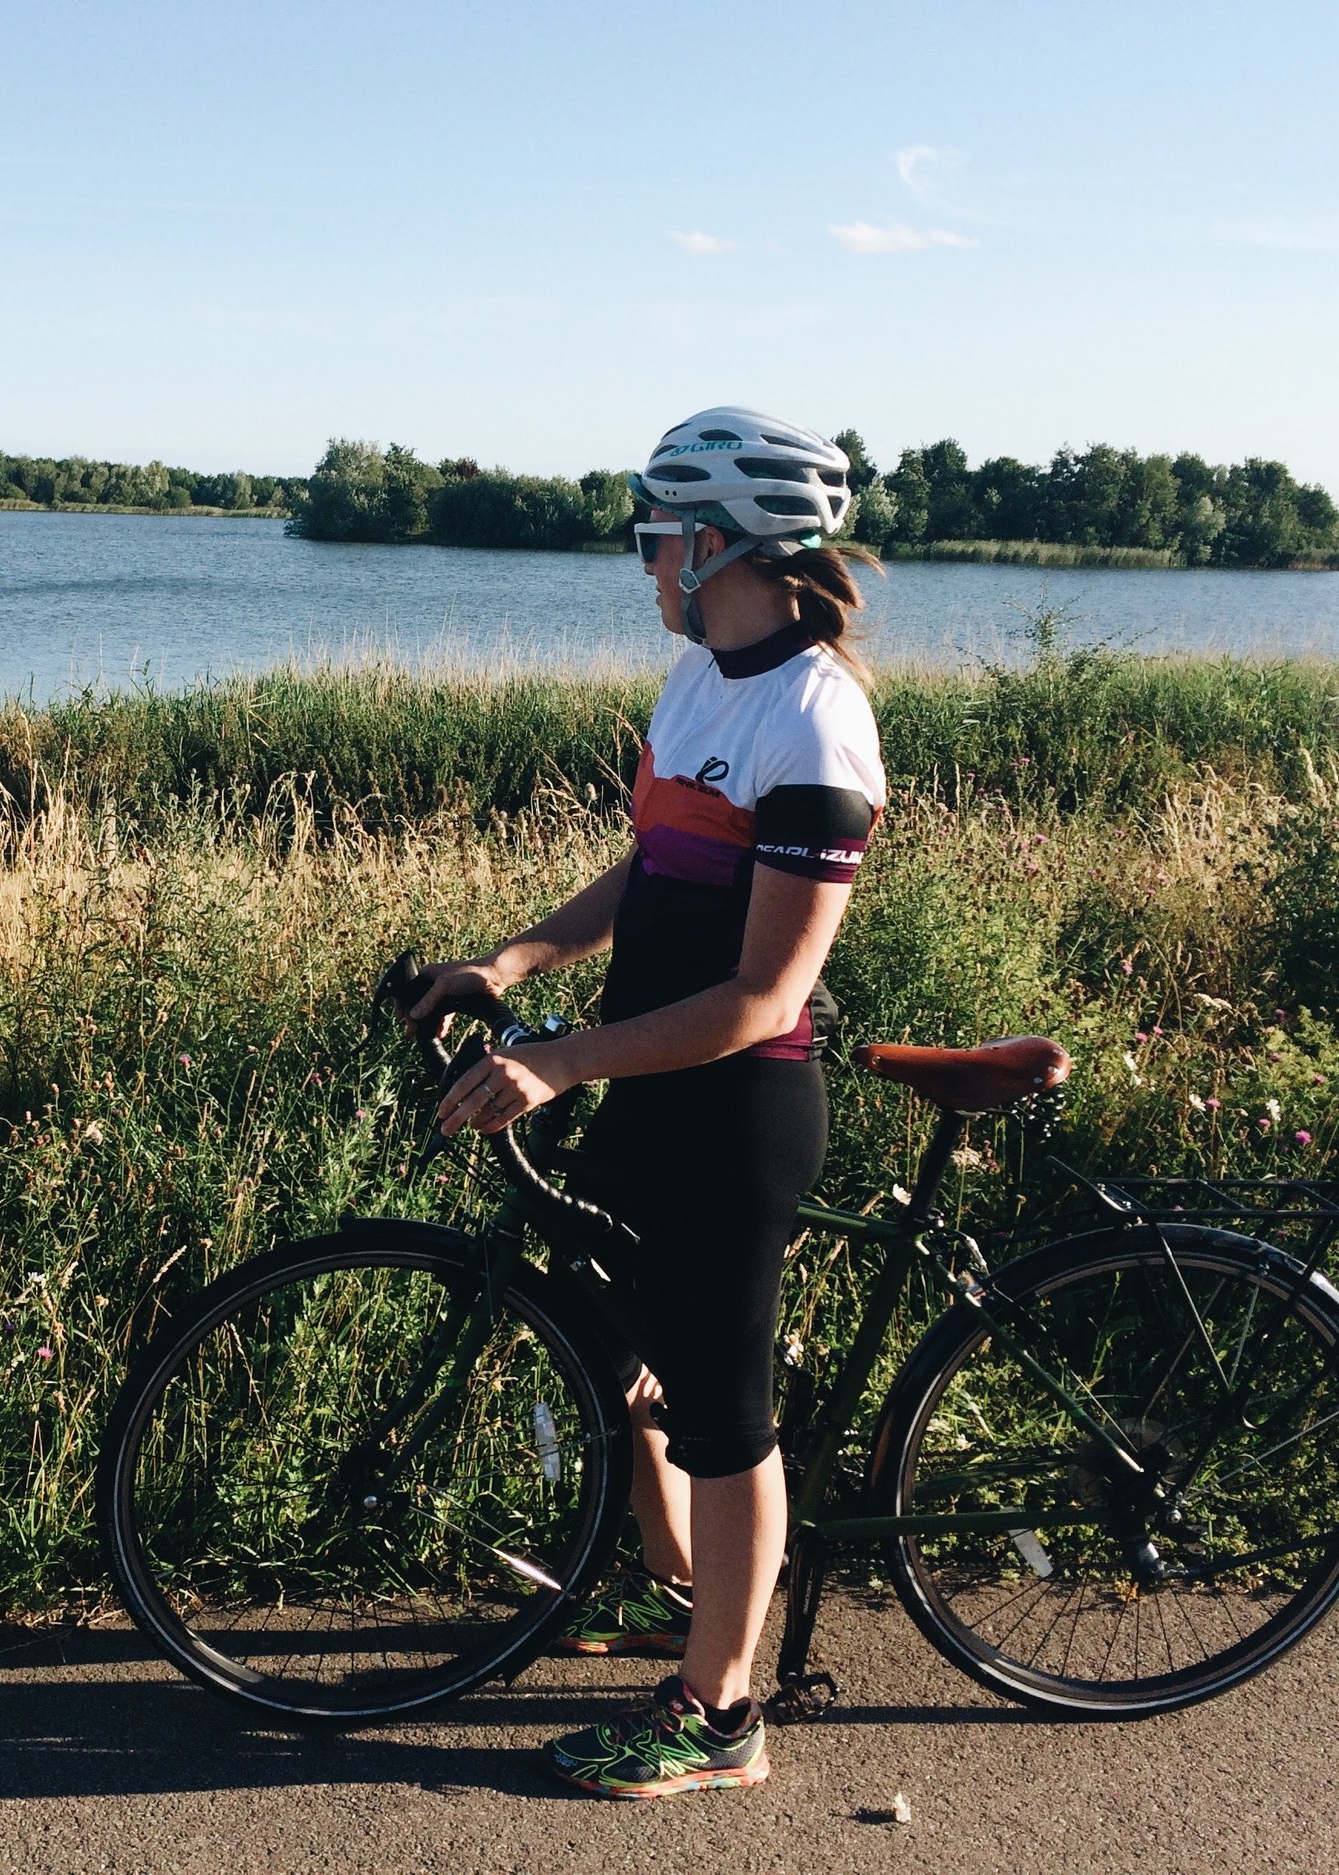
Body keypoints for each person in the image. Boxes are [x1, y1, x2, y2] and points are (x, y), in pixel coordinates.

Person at [406, 407, 884, 1799]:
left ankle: (721, 1714)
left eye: (656, 537)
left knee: (729, 1417)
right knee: (611, 1336)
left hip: (737, 1110)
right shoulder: (700, 683)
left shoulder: (814, 718)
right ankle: (684, 1591)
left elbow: (766, 993)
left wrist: (561, 1059)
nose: (643, 563)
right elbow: (654, 871)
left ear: (724, 543)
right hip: (650, 1084)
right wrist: (515, 960)